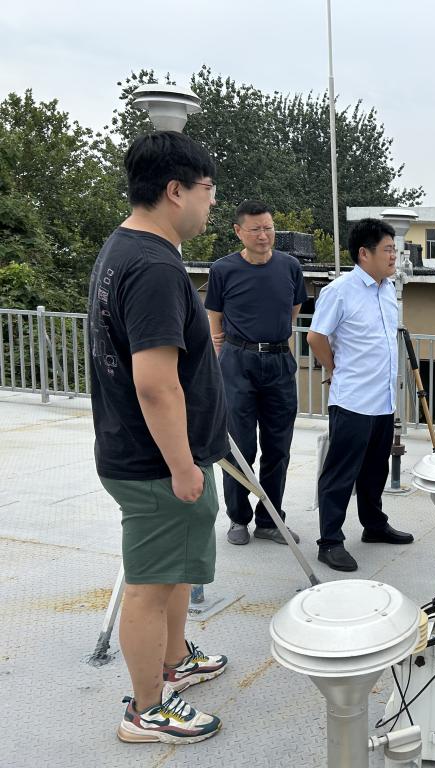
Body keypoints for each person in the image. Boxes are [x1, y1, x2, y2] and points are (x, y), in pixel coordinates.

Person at [87, 131, 227, 744]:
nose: (211, 203)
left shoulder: (126, 247)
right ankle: (146, 709)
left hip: (151, 455)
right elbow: (155, 384)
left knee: (172, 570)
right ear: (175, 190)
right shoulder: (153, 267)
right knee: (147, 585)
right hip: (155, 463)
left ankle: (175, 660)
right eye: (207, 190)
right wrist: (183, 467)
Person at [307, 218, 414, 571]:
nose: (394, 256)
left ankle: (374, 525)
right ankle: (330, 541)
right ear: (364, 253)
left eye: (394, 249)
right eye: (388, 250)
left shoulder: (387, 289)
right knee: (340, 472)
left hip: (383, 399)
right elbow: (316, 337)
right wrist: (334, 369)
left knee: (374, 469)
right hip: (352, 400)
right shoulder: (339, 291)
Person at [205, 200, 307, 546]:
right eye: (255, 229)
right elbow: (215, 314)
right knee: (239, 446)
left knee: (278, 447)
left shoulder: (290, 266)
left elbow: (293, 308)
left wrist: (273, 336)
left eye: (268, 228)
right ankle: (238, 518)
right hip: (238, 363)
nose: (264, 235)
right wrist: (222, 344)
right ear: (239, 232)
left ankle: (270, 519)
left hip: (278, 362)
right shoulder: (223, 269)